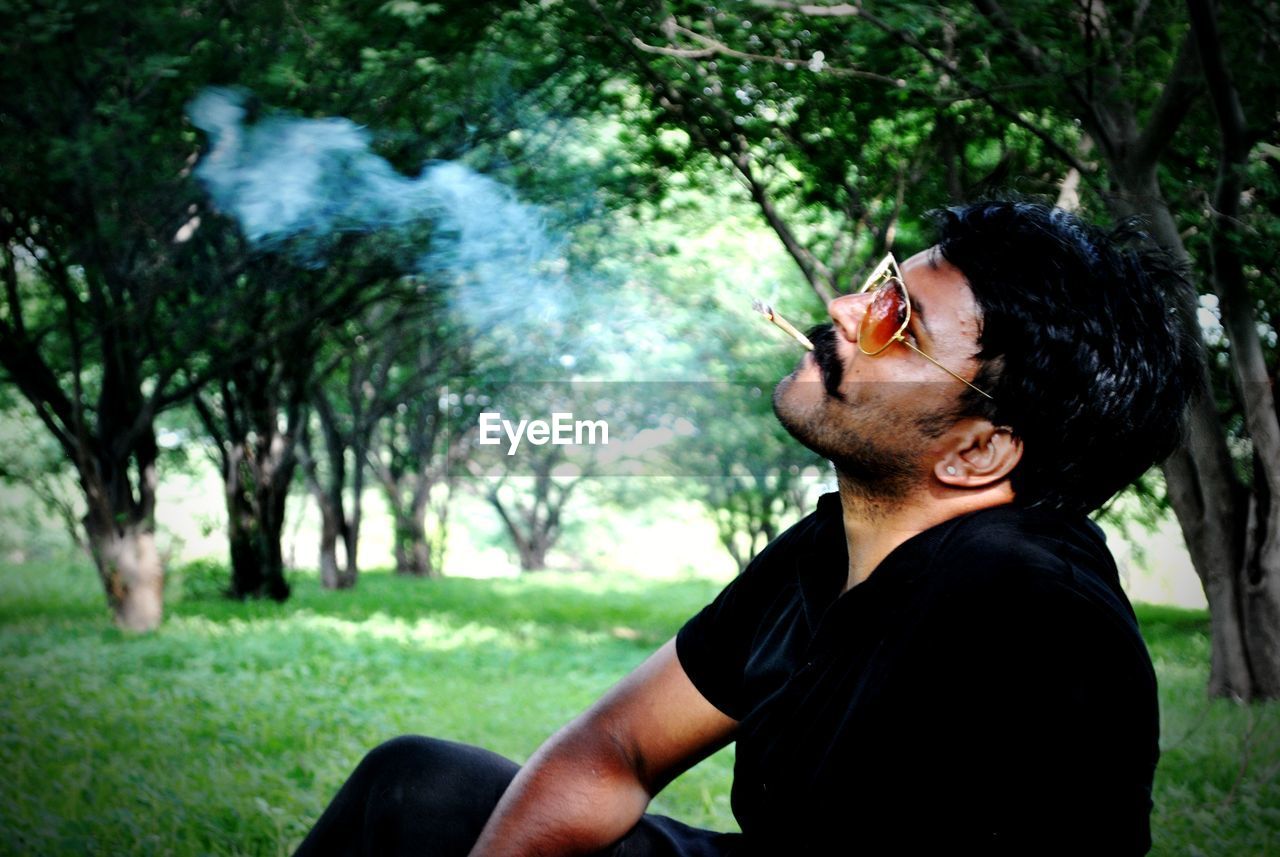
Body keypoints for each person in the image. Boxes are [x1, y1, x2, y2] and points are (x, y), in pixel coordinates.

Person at [292, 200, 1203, 856]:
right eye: (882, 286)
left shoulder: (1024, 604)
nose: (846, 309)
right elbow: (617, 746)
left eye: (898, 322)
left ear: (977, 451)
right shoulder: (839, 545)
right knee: (415, 785)